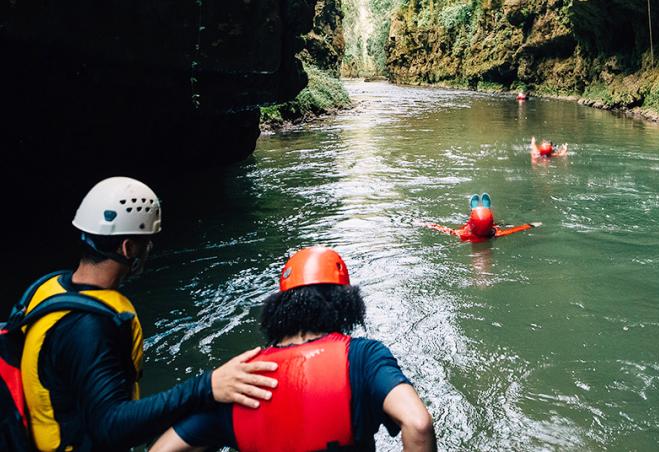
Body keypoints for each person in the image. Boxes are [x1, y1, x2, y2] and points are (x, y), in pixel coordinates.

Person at [16, 177, 278, 452]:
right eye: (147, 242)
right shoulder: (88, 326)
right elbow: (111, 427)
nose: (149, 249)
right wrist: (208, 386)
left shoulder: (49, 288)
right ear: (128, 248)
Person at [148, 246, 436, 452]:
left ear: (282, 307)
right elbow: (418, 423)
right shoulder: (363, 357)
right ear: (345, 304)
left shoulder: (240, 379)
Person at [426, 193, 537, 243]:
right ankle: (484, 210)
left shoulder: (463, 234)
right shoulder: (495, 234)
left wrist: (427, 224)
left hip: (473, 228)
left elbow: (444, 229)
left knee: (479, 222)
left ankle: (475, 210)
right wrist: (531, 225)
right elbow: (516, 229)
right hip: (488, 227)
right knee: (500, 225)